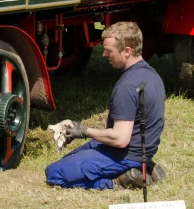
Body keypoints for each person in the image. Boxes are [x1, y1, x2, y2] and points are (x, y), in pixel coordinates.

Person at [45, 21, 166, 190]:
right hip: (144, 150)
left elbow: (120, 138)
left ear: (127, 51)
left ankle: (118, 181)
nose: (103, 55)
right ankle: (144, 168)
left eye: (109, 50)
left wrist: (85, 131)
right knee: (71, 157)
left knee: (54, 173)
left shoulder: (126, 87)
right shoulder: (152, 75)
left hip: (125, 155)